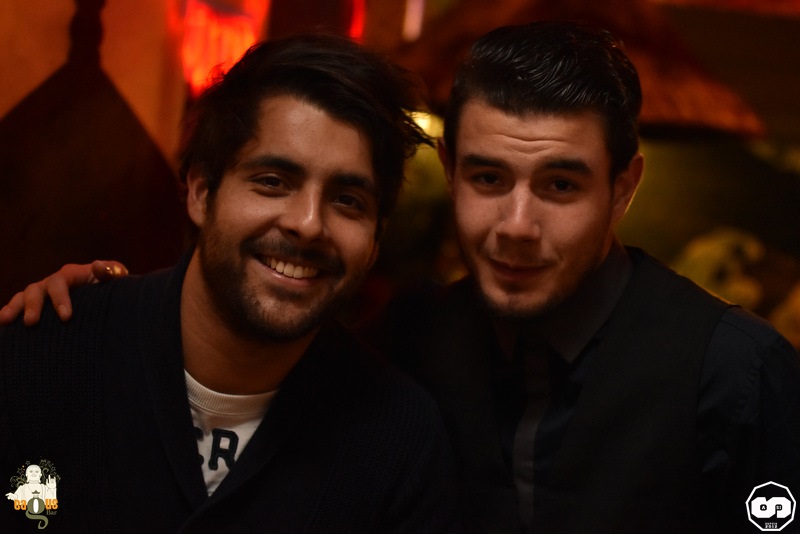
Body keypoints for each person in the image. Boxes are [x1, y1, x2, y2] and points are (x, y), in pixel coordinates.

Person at [6, 21, 800, 533]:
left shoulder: (734, 373)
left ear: (623, 188)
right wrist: (100, 305)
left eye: (561, 185)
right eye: (487, 178)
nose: (517, 225)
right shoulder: (414, 341)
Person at [0, 34, 458, 532]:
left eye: (347, 200)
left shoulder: (398, 441)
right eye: (273, 182)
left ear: (374, 243)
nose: (308, 224)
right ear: (201, 192)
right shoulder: (44, 359)